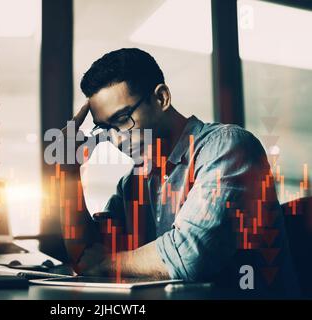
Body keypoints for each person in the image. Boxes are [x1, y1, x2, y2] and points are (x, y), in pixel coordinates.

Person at [55, 48, 298, 296]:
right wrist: (68, 171)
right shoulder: (133, 182)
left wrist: (107, 263)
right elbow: (86, 256)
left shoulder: (229, 148)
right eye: (106, 128)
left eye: (123, 119)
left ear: (161, 98)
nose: (116, 141)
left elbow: (190, 255)